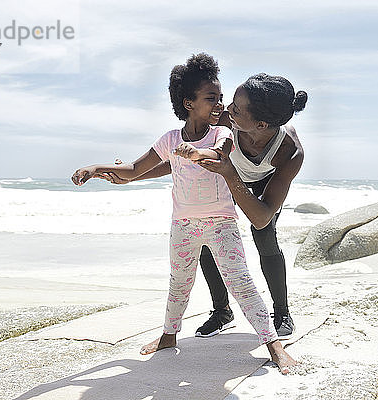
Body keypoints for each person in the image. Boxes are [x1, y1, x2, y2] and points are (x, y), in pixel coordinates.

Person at [71, 54, 296, 374]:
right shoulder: (170, 140)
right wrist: (96, 169)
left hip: (221, 224)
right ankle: (168, 335)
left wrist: (195, 152)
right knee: (179, 283)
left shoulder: (222, 134)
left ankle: (274, 345)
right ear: (188, 102)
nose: (220, 105)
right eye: (211, 99)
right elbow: (135, 169)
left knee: (241, 282)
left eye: (221, 98)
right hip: (183, 225)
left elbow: (218, 154)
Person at [108, 73, 307, 340]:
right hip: (225, 177)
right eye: (231, 103)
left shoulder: (289, 151)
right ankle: (222, 311)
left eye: (236, 108)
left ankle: (281, 311)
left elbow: (261, 217)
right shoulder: (225, 120)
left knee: (264, 236)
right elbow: (181, 161)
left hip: (257, 183)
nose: (226, 109)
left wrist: (229, 174)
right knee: (204, 231)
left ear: (260, 123)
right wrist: (130, 176)